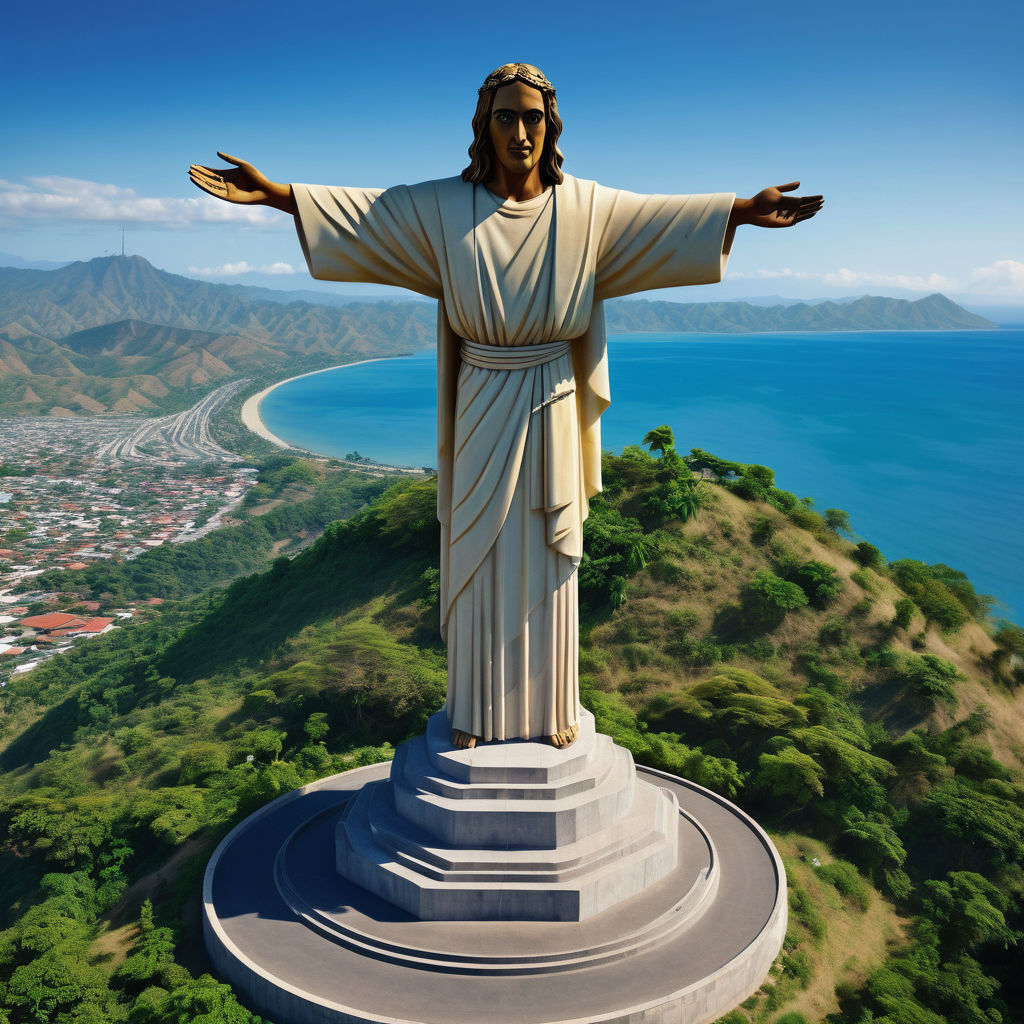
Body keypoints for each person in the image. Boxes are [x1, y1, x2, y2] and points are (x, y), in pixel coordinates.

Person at [190, 62, 822, 751]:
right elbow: (366, 215)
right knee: (478, 554)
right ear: (482, 126)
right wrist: (280, 195)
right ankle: (475, 713)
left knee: (546, 557)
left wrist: (740, 212)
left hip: (549, 394)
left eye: (533, 117)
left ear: (551, 126)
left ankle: (551, 711)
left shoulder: (586, 207)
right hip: (483, 396)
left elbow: (661, 219)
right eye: (505, 117)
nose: (520, 132)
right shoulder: (442, 208)